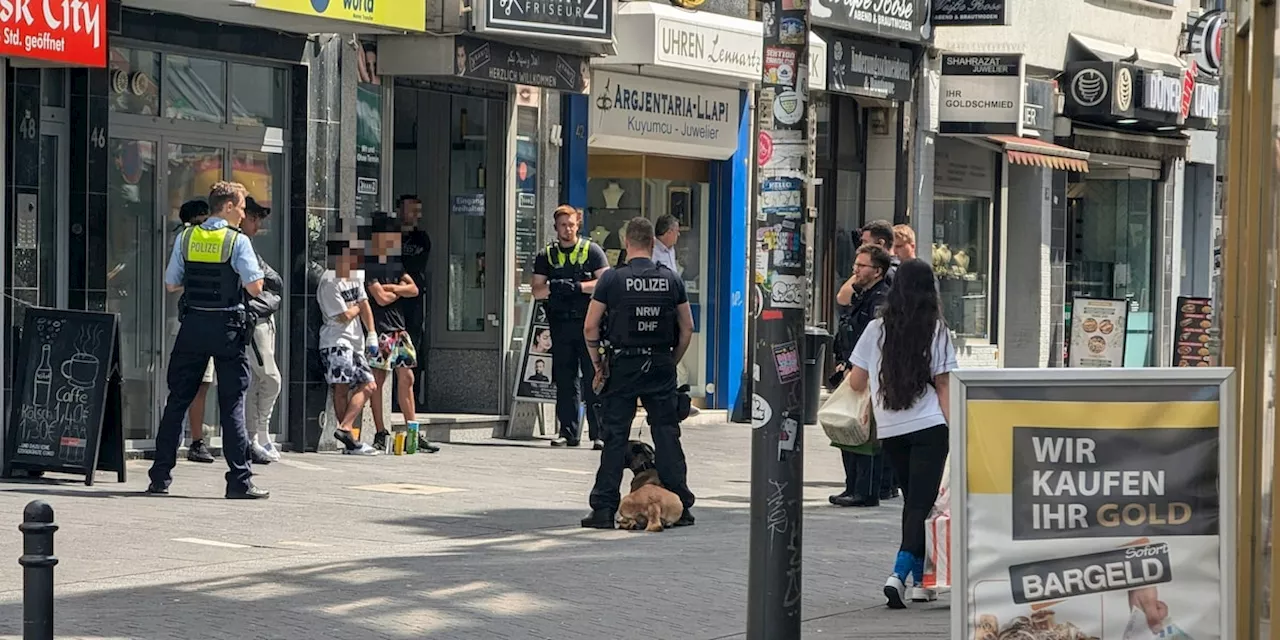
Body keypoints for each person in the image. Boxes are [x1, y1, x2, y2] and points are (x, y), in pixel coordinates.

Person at [845, 259, 956, 608]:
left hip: (891, 429)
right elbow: (943, 384)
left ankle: (924, 582)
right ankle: (899, 572)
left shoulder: (876, 329)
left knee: (914, 503)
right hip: (929, 427)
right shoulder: (935, 330)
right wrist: (957, 429)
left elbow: (856, 381)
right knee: (921, 505)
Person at [146, 181, 268, 500]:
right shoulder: (236, 241)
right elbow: (255, 288)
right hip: (227, 327)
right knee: (232, 404)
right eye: (241, 207)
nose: (244, 214)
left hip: (193, 325)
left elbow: (172, 284)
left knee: (177, 401)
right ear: (227, 207)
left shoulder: (187, 236)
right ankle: (239, 481)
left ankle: (160, 477)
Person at [581, 217, 695, 529]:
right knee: (667, 435)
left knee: (615, 436)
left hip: (623, 365)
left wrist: (597, 364)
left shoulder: (612, 280)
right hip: (659, 364)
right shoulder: (671, 279)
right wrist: (671, 360)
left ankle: (603, 509)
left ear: (627, 242)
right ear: (651, 243)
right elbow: (687, 328)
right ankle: (680, 505)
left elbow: (590, 326)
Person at [532, 205, 609, 449]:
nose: (568, 229)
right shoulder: (546, 255)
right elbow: (536, 290)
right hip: (560, 324)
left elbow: (606, 283)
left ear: (578, 225)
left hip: (589, 324)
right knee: (565, 380)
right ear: (556, 227)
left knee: (593, 379)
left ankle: (599, 434)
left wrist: (578, 287)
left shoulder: (592, 251)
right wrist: (555, 287)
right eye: (563, 225)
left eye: (572, 225)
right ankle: (568, 432)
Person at [364, 211, 439, 454]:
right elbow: (381, 298)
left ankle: (413, 431)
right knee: (378, 381)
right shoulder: (371, 264)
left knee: (407, 378)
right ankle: (380, 431)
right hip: (383, 329)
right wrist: (398, 291)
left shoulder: (395, 264)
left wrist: (394, 287)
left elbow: (414, 289)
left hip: (400, 329)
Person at [829, 244, 892, 508]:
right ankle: (852, 485)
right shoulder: (862, 295)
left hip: (867, 373)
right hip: (851, 368)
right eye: (855, 264)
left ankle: (865, 490)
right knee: (848, 426)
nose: (855, 270)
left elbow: (873, 340)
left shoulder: (881, 299)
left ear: (877, 271)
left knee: (863, 430)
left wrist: (858, 368)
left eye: (862, 265)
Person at [317, 241, 381, 456]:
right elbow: (343, 316)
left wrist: (371, 333)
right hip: (335, 342)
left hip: (356, 342)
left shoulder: (356, 275)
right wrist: (356, 308)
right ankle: (350, 441)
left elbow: (364, 305)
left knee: (369, 385)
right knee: (341, 388)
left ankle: (345, 428)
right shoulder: (329, 282)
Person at [239, 197, 284, 464]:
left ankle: (256, 435)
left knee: (259, 381)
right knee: (270, 378)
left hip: (262, 319)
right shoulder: (237, 243)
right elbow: (259, 283)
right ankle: (256, 434)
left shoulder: (249, 246)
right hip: (251, 321)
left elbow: (274, 280)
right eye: (253, 218)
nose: (257, 225)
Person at [174, 199, 217, 464]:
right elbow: (173, 281)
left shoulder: (183, 241)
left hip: (192, 321)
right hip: (186, 322)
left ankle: (193, 437)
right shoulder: (186, 241)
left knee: (201, 383)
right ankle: (191, 438)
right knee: (192, 383)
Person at [397, 195, 431, 412]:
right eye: (411, 210)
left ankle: (413, 398)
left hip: (414, 301)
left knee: (412, 349)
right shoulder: (389, 237)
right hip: (392, 304)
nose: (415, 215)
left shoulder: (422, 239)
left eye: (417, 210)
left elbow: (416, 265)